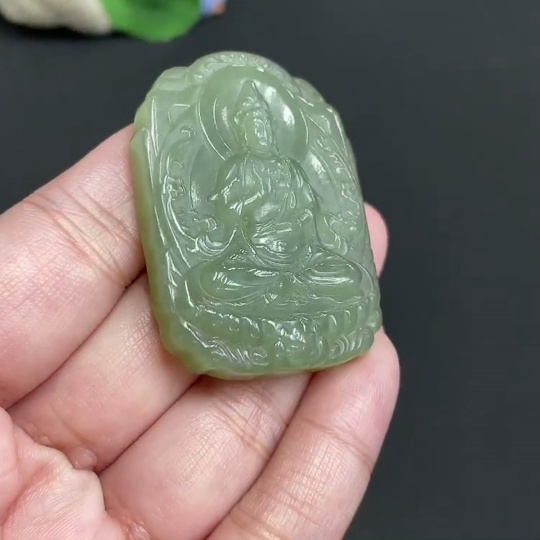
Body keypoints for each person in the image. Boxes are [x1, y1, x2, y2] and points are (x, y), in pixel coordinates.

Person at [0, 127, 399, 539]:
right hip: (252, 260)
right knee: (208, 284)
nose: (259, 132)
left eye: (263, 125)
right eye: (249, 124)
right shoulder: (238, 170)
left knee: (346, 276)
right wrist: (256, 213)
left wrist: (292, 226)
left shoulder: (288, 168)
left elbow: (308, 212)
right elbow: (227, 214)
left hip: (298, 257)